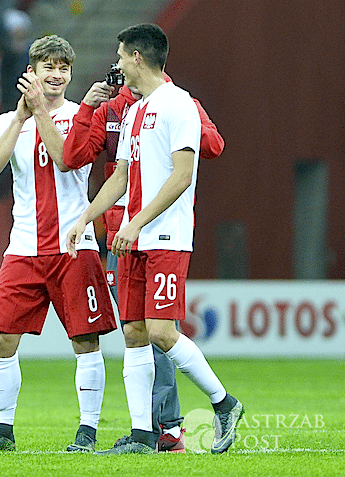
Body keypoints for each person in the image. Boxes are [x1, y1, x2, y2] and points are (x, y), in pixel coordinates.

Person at [66, 23, 243, 455]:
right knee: (135, 332)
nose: (118, 64)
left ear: (138, 57)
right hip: (135, 237)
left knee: (163, 332)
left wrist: (136, 222)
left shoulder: (179, 104)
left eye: (122, 55)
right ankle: (144, 434)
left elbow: (183, 176)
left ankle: (225, 403)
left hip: (165, 236)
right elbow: (122, 177)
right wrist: (85, 217)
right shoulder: (133, 111)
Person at [0, 35, 116, 454]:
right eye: (48, 66)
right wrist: (18, 116)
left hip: (74, 244)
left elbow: (66, 156)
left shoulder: (83, 117)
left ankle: (87, 431)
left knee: (85, 340)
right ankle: (2, 431)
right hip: (24, 246)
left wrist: (41, 113)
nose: (56, 74)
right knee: (0, 339)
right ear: (31, 72)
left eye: (63, 67)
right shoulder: (9, 122)